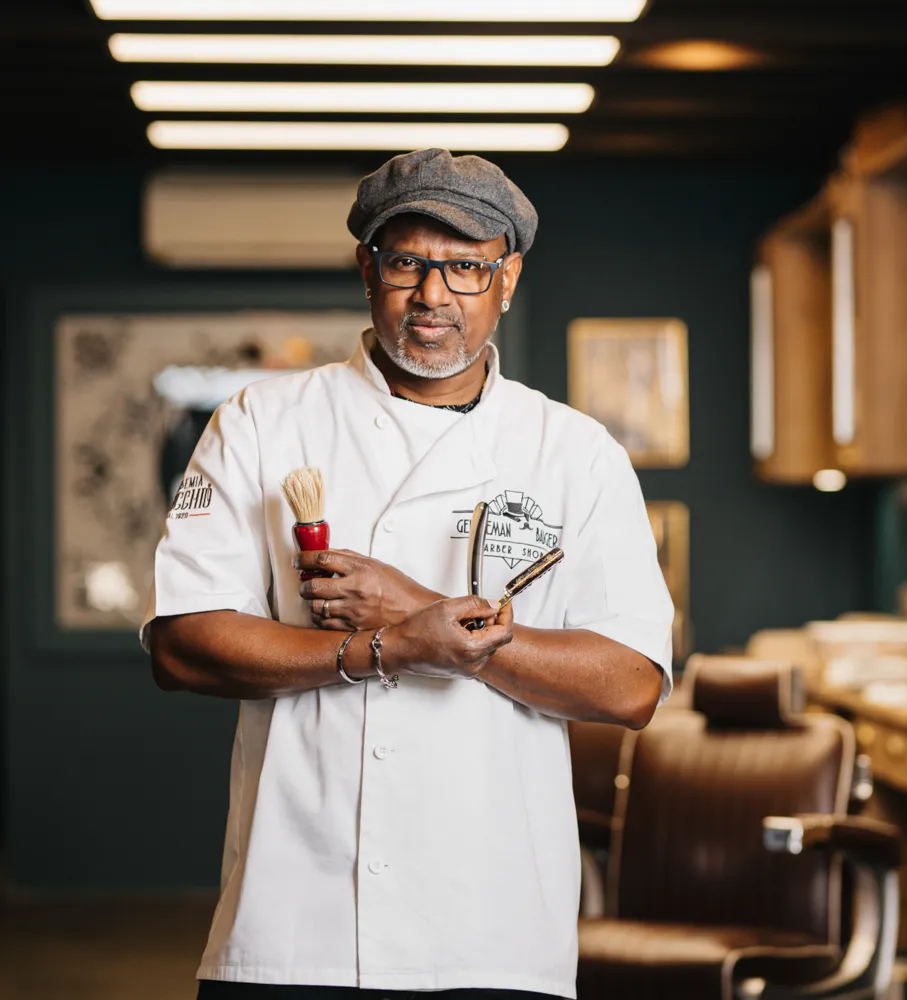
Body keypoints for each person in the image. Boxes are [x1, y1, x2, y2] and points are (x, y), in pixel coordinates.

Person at [144, 147, 674, 1000]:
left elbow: (631, 686)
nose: (435, 296)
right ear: (367, 269)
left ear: (507, 278)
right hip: (291, 923)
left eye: (465, 267)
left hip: (495, 932)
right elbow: (182, 647)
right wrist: (381, 649)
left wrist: (423, 615)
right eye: (408, 263)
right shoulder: (263, 420)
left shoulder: (573, 454)